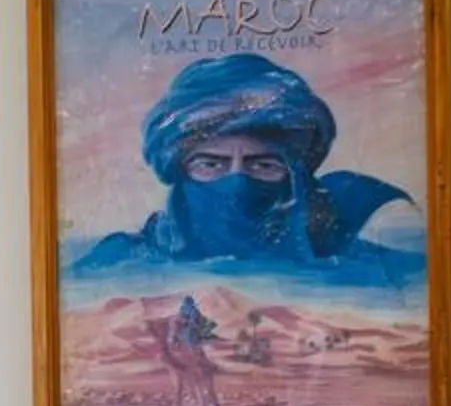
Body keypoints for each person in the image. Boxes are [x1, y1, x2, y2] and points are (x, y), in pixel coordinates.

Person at [74, 52, 423, 287]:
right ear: (180, 170)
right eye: (210, 163)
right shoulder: (117, 266)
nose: (237, 182)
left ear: (295, 177)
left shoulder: (368, 270)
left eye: (263, 164)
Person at [161, 294, 228, 406]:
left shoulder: (191, 317)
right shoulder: (182, 318)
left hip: (194, 354)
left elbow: (196, 332)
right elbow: (174, 338)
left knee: (206, 399)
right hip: (188, 353)